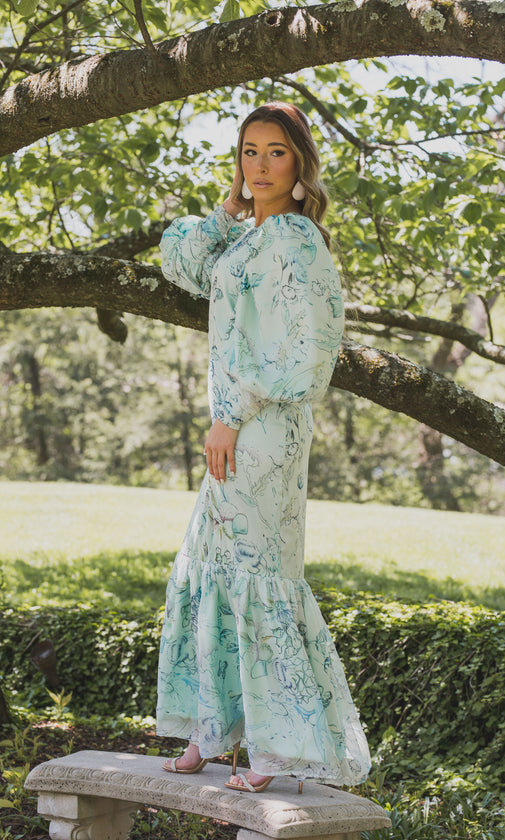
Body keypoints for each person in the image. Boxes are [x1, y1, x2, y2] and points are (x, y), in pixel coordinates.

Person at [156, 102, 371, 794]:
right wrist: (228, 207)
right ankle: (212, 734)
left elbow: (304, 352)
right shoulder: (250, 234)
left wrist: (233, 415)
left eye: (276, 152)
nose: (261, 165)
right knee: (211, 565)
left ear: (300, 162)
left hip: (262, 428)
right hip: (232, 426)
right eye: (250, 152)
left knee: (258, 576)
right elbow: (183, 262)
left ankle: (274, 754)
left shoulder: (298, 242)